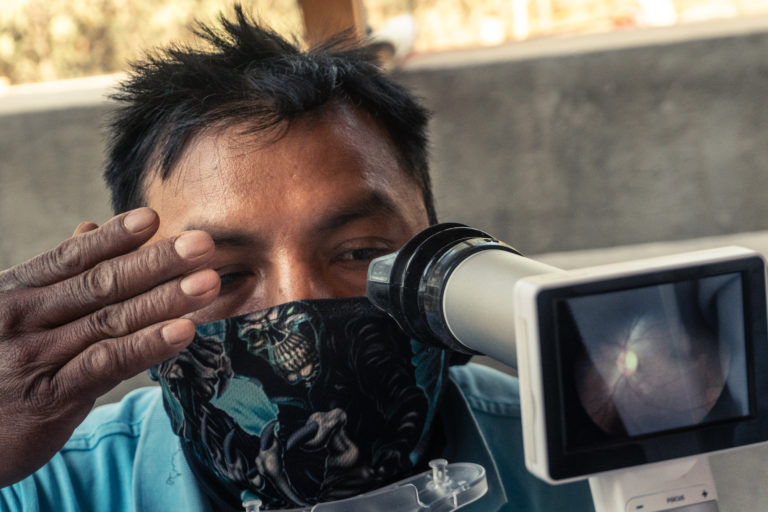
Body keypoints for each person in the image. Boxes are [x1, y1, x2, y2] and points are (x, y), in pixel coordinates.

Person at [0, 6, 593, 512]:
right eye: (224, 274)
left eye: (360, 252)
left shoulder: (582, 459)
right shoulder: (40, 490)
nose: (299, 307)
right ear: (126, 292)